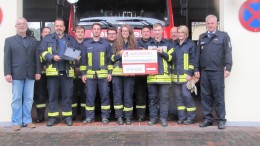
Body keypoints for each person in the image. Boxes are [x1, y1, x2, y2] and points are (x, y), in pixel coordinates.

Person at [195, 14, 233, 129]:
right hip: (205, 72)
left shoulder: (223, 36)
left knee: (218, 96)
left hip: (217, 71)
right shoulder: (202, 37)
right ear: (206, 24)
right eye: (208, 23)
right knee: (205, 96)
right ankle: (207, 119)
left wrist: (228, 67)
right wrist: (196, 69)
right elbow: (197, 55)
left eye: (212, 23)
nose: (210, 25)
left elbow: (228, 52)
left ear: (216, 24)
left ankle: (221, 120)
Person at [4, 17, 41, 131]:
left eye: (23, 24)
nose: (21, 25)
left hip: (30, 74)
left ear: (27, 26)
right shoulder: (9, 40)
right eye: (19, 24)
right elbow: (7, 58)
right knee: (17, 98)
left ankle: (27, 121)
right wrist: (7, 73)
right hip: (16, 73)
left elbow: (37, 58)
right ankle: (16, 122)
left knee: (29, 98)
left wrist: (38, 72)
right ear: (16, 26)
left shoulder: (33, 41)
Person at [40, 18, 78, 126]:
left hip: (67, 71)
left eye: (61, 26)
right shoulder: (47, 39)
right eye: (57, 26)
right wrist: (51, 57)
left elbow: (75, 52)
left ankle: (67, 117)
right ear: (54, 27)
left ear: (64, 27)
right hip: (53, 72)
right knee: (52, 96)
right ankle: (53, 117)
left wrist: (73, 57)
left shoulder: (71, 39)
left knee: (67, 95)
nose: (59, 28)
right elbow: (42, 52)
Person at [80, 23, 112, 124]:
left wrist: (110, 73)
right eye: (95, 29)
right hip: (90, 76)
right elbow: (83, 61)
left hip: (103, 76)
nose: (96, 30)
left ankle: (105, 117)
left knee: (105, 96)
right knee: (89, 97)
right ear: (92, 30)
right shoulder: (86, 44)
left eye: (98, 29)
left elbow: (109, 60)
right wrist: (83, 74)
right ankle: (89, 117)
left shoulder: (106, 44)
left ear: (100, 31)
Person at [145, 23, 174, 127]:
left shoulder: (168, 44)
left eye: (159, 30)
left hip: (164, 77)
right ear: (153, 31)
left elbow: (171, 59)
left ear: (162, 31)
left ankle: (163, 119)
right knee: (152, 99)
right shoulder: (148, 44)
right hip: (151, 77)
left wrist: (163, 53)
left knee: (164, 99)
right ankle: (153, 118)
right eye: (155, 30)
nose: (157, 32)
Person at [111, 24, 138, 125]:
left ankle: (128, 117)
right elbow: (111, 59)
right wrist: (119, 54)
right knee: (118, 96)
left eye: (127, 31)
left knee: (128, 96)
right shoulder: (115, 44)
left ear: (130, 32)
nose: (125, 33)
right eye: (123, 31)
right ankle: (119, 117)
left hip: (129, 74)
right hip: (117, 75)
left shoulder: (134, 44)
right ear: (120, 33)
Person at [172, 25, 196, 125]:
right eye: (179, 32)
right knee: (178, 98)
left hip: (186, 76)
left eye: (182, 32)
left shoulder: (190, 45)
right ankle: (182, 117)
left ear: (186, 34)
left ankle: (191, 117)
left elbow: (194, 60)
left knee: (186, 96)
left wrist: (190, 73)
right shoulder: (175, 45)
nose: (180, 34)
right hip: (175, 76)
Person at [135, 25, 152, 121]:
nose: (146, 33)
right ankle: (140, 115)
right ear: (141, 33)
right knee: (140, 95)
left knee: (152, 95)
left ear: (150, 33)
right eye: (144, 32)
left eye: (147, 31)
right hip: (140, 75)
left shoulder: (154, 43)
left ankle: (151, 114)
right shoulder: (137, 43)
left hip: (152, 74)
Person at [34, 27, 51, 123]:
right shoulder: (37, 44)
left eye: (49, 32)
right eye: (45, 32)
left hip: (52, 75)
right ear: (41, 33)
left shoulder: (53, 44)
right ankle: (40, 117)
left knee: (52, 95)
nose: (47, 34)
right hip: (40, 75)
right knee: (40, 96)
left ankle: (53, 116)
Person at [72, 25, 87, 121]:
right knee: (72, 94)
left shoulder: (87, 44)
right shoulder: (71, 44)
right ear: (75, 33)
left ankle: (84, 114)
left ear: (84, 33)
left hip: (84, 74)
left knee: (84, 94)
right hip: (73, 72)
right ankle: (73, 114)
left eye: (82, 31)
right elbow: (67, 56)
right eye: (78, 31)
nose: (80, 33)